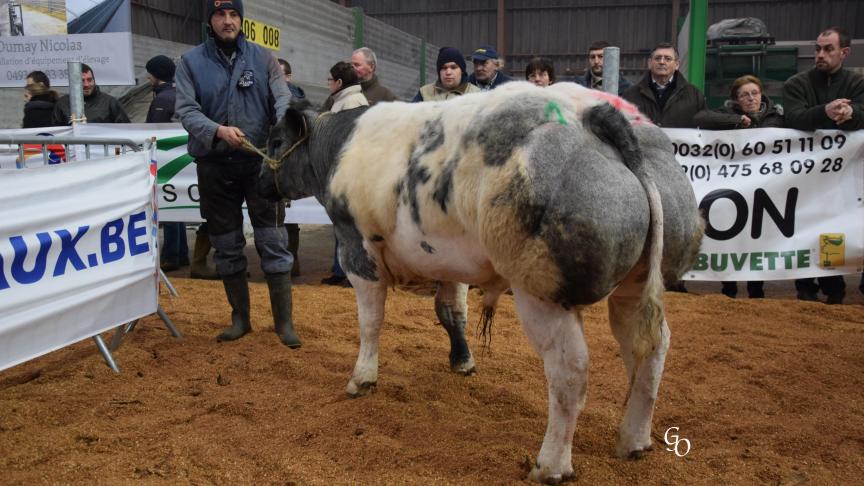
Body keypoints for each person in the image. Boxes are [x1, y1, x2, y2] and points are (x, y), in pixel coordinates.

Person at [175, 0, 301, 346]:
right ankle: (240, 319)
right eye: (220, 14)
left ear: (241, 19)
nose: (228, 21)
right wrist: (217, 130)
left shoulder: (263, 58)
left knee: (273, 241)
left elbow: (282, 98)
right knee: (227, 245)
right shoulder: (190, 63)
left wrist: (286, 127)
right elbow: (186, 110)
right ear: (210, 20)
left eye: (233, 15)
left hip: (259, 165)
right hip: (215, 165)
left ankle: (284, 324)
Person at [783, 26, 864, 304]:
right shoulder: (797, 84)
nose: (820, 54)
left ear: (844, 52)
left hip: (844, 177)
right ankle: (805, 286)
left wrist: (851, 115)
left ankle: (834, 287)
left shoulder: (857, 83)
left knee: (834, 228)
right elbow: (794, 118)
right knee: (803, 225)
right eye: (817, 49)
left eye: (828, 49)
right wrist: (826, 112)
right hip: (805, 175)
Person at [695, 74, 785, 299]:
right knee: (731, 239)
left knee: (759, 237)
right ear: (736, 99)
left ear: (762, 94)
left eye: (755, 93)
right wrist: (737, 121)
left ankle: (756, 289)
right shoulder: (727, 115)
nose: (751, 98)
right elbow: (702, 118)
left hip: (766, 188)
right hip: (731, 189)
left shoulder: (777, 117)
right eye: (744, 95)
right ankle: (729, 289)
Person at [320, 61, 370, 287]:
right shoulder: (345, 101)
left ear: (339, 82)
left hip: (349, 175)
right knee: (343, 226)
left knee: (352, 228)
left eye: (330, 80)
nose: (328, 84)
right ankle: (340, 270)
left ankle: (352, 272)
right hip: (345, 173)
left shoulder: (351, 105)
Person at [144, 55, 189, 274]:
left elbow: (152, 131)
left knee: (167, 207)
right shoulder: (180, 94)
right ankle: (181, 252)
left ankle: (172, 255)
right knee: (177, 204)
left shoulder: (162, 100)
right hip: (181, 157)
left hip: (165, 157)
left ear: (155, 75)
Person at [622, 42, 708, 128]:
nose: (662, 62)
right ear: (649, 63)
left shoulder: (694, 96)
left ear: (677, 65)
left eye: (668, 59)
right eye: (658, 58)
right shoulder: (631, 95)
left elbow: (704, 127)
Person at [277, 58, 303, 277]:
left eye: (279, 74)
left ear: (288, 77)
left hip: (288, 164)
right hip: (273, 162)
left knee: (290, 217)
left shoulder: (295, 99)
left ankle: (291, 261)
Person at [52, 63, 130, 125]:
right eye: (82, 81)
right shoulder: (62, 104)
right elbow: (55, 134)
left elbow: (125, 129)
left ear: (94, 80)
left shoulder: (109, 102)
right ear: (73, 82)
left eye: (89, 80)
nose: (86, 84)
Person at [322, 47, 396, 110]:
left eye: (357, 65)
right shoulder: (341, 91)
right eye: (351, 64)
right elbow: (321, 118)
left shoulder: (385, 96)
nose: (352, 68)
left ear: (371, 67)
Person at [412, 47, 480, 101]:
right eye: (444, 68)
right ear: (439, 72)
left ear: (462, 71)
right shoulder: (424, 93)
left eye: (453, 67)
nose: (448, 72)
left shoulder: (476, 94)